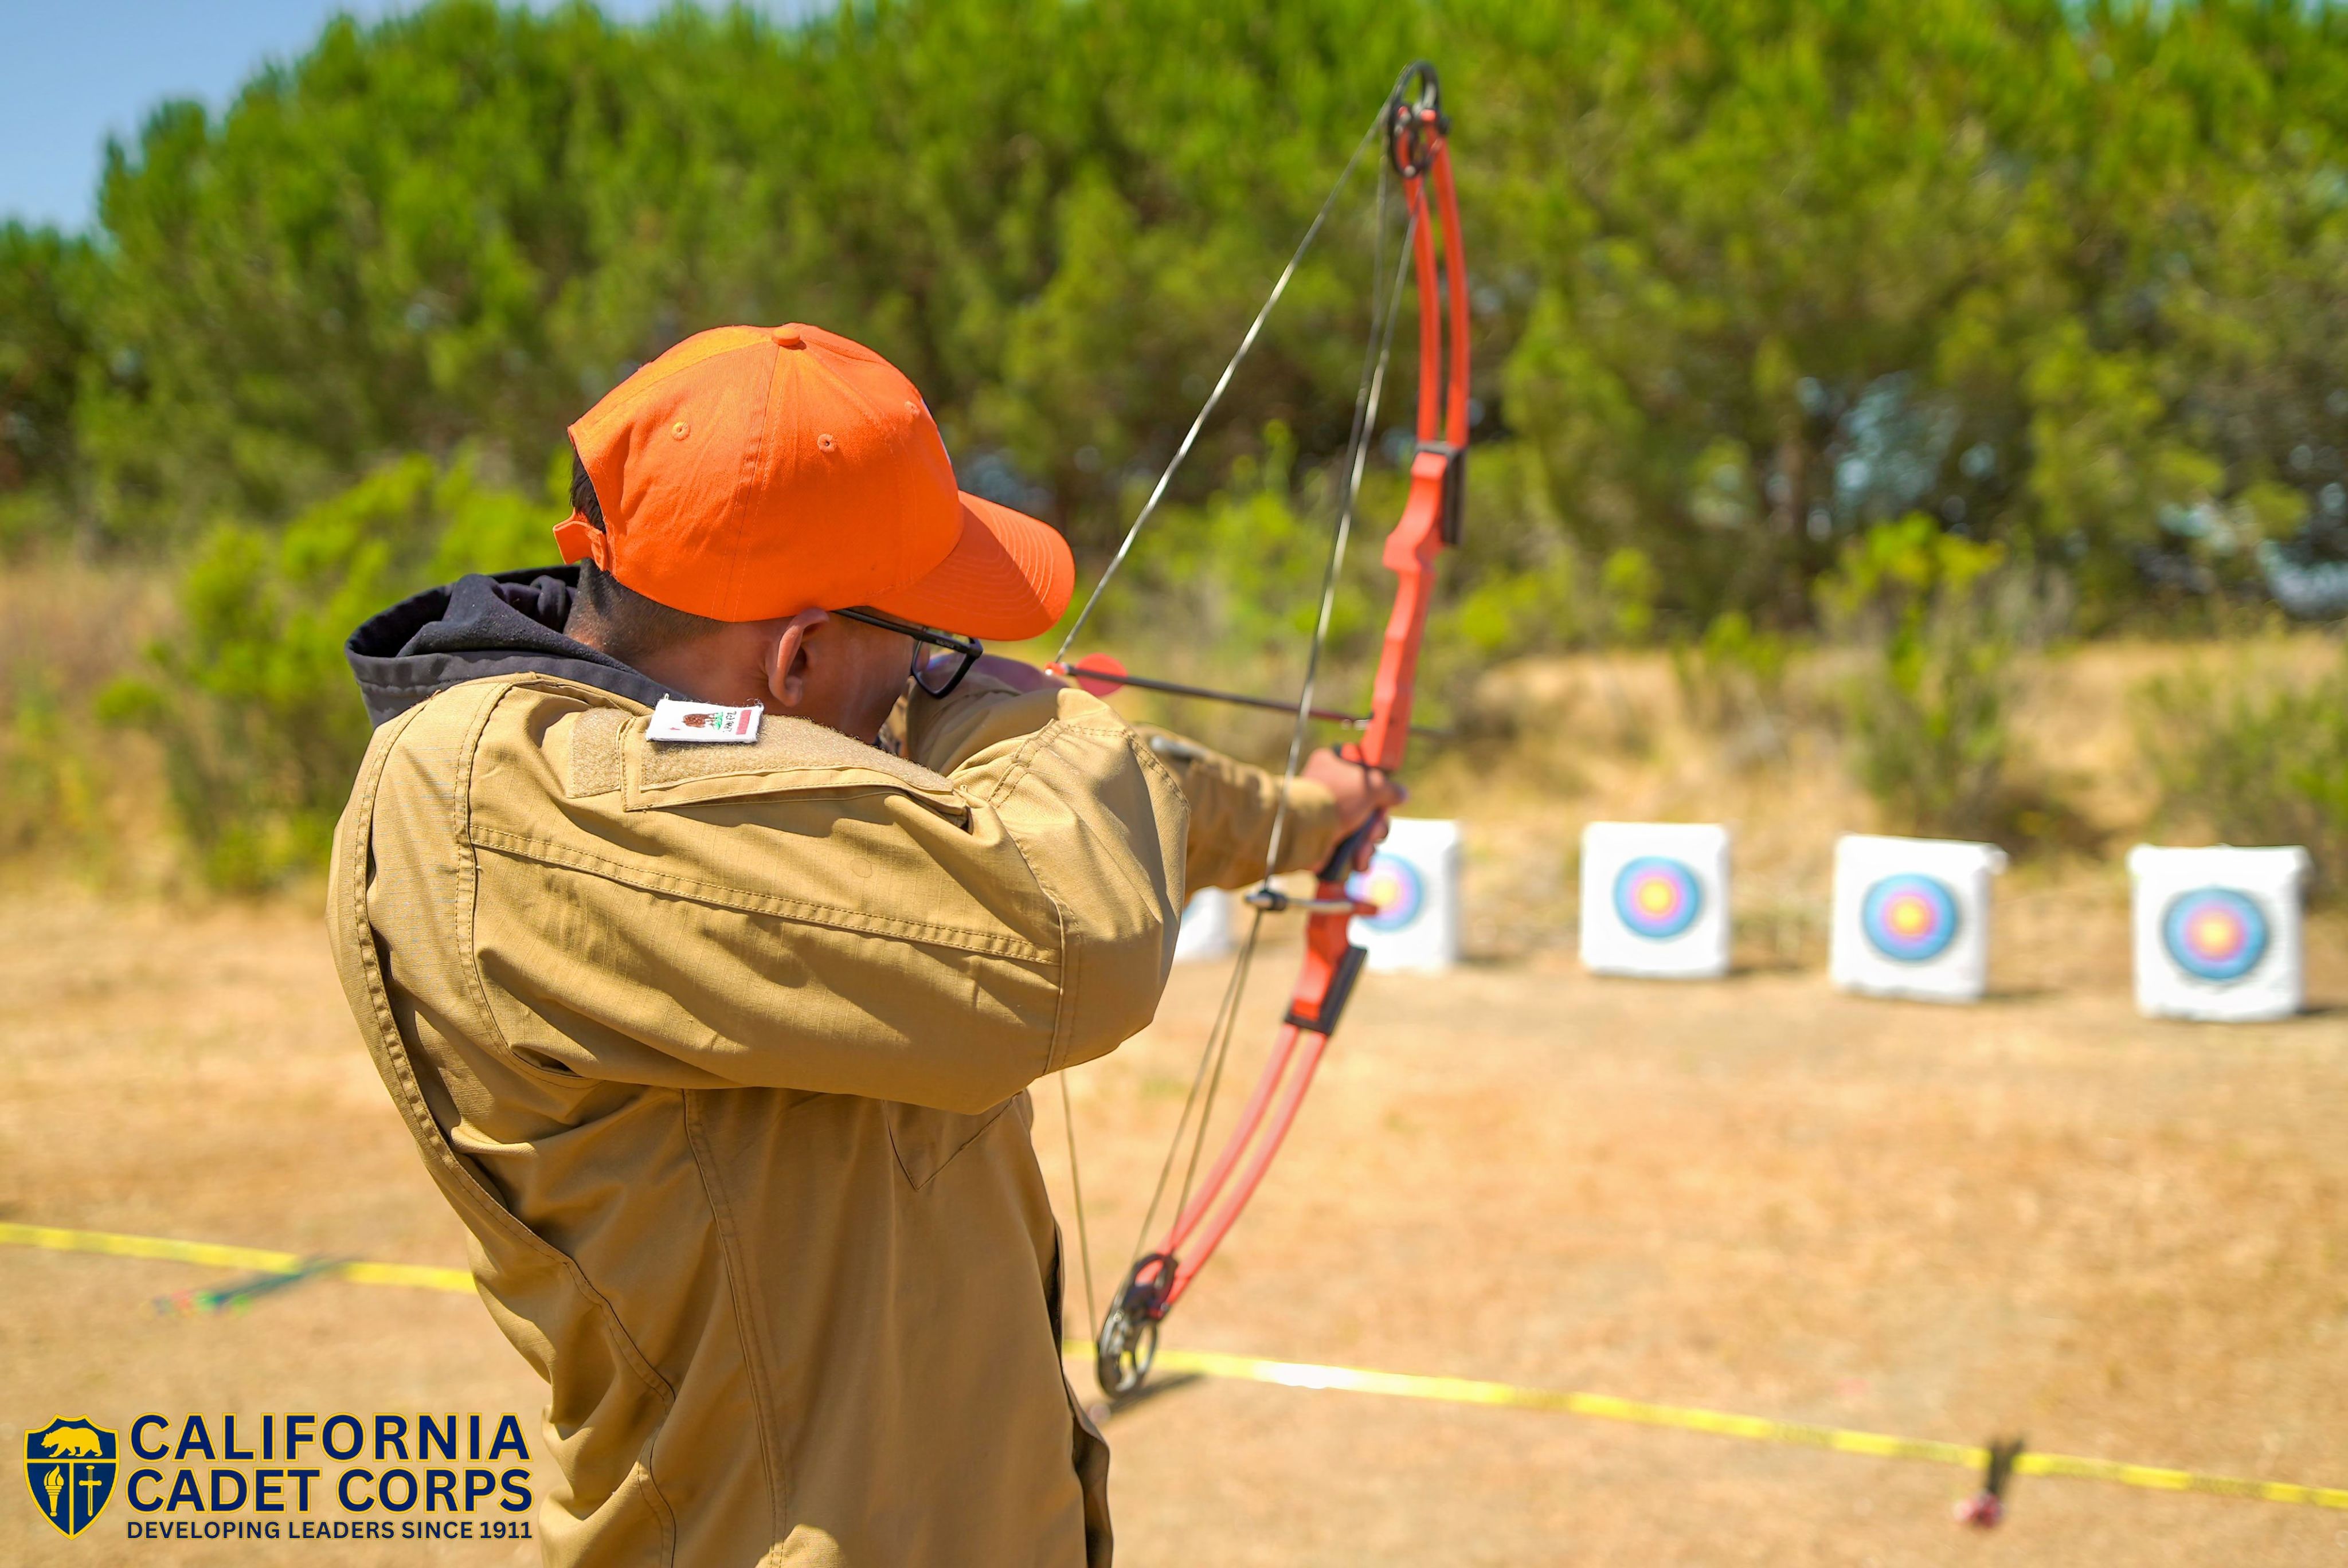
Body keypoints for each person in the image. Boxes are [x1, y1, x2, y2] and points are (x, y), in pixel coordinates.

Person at [327, 322, 1400, 1567]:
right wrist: (1008, 707)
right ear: (796, 657)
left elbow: (1115, 806)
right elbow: (1071, 930)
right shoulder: (498, 795)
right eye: (925, 644)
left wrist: (1317, 810)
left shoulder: (759, 758)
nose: (934, 681)